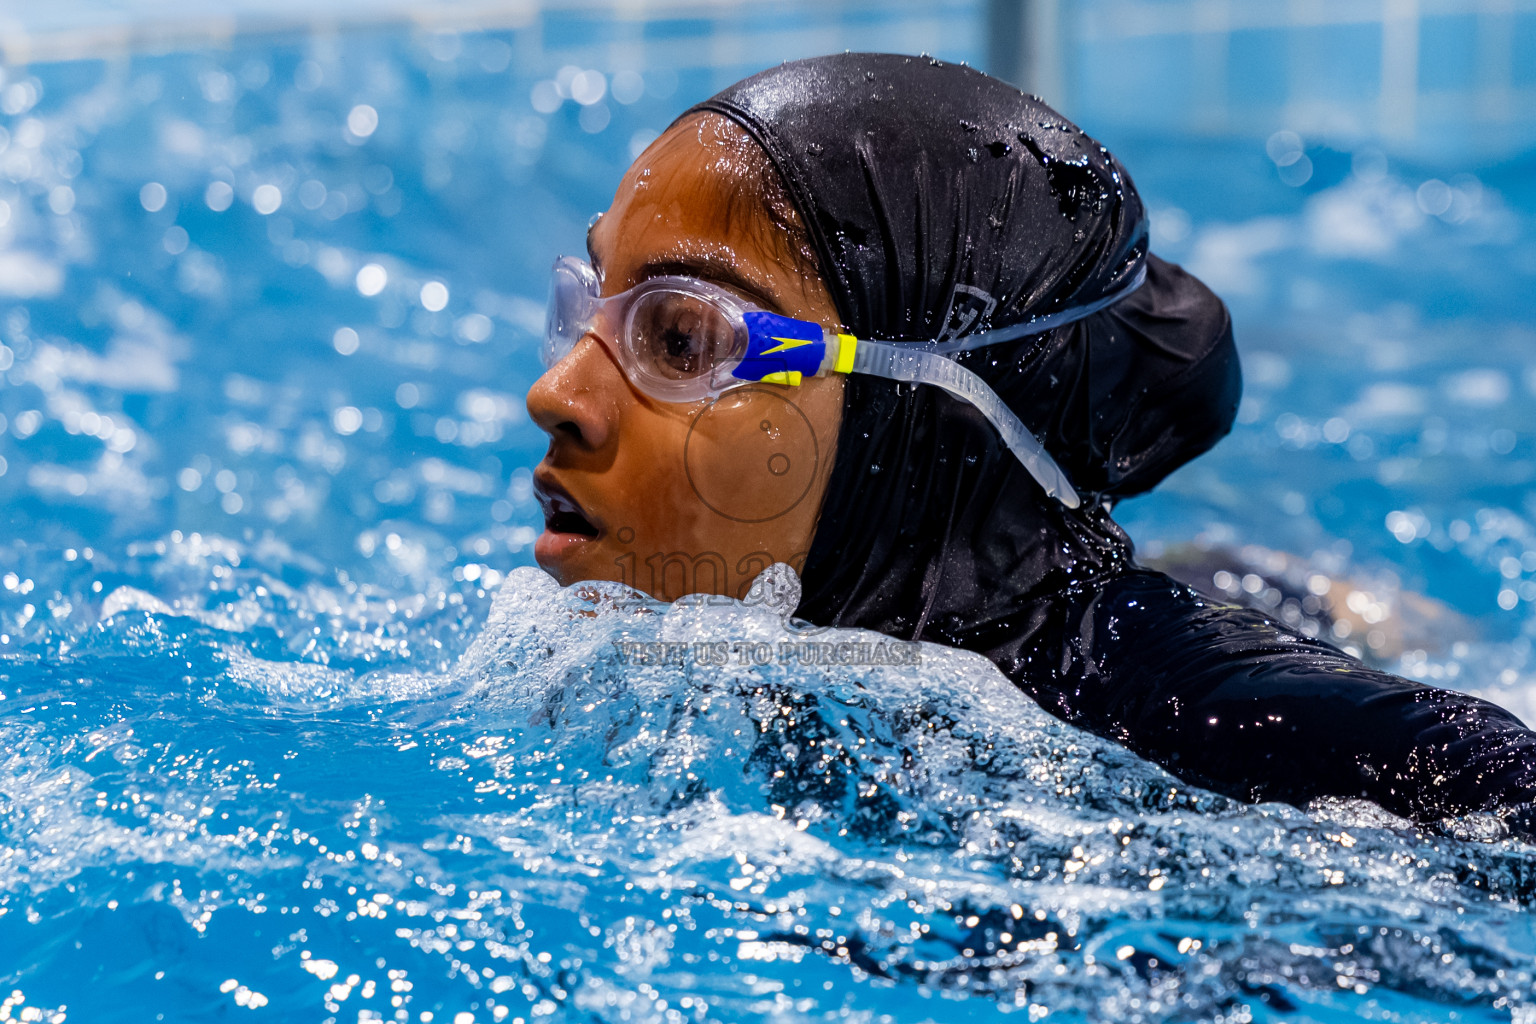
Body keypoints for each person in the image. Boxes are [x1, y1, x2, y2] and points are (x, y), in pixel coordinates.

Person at [525, 52, 1536, 837]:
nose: (555, 392)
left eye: (681, 337)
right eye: (587, 308)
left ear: (928, 406)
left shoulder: (1219, 734)